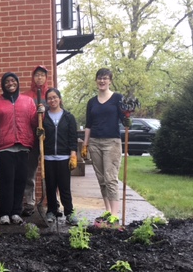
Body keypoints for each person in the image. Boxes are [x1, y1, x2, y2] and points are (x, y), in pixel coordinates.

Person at [0, 72, 39, 225]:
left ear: (17, 83)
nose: (10, 83)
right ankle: (4, 213)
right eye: (7, 81)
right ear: (3, 84)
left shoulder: (28, 101)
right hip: (4, 148)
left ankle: (16, 212)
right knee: (6, 181)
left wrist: (40, 114)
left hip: (23, 146)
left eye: (13, 80)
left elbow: (34, 122)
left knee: (21, 180)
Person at [82, 68, 127, 223]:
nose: (102, 81)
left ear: (110, 81)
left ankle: (115, 215)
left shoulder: (117, 98)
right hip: (94, 142)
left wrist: (128, 117)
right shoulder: (91, 102)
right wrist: (85, 145)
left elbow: (125, 119)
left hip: (111, 143)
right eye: (99, 78)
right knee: (101, 179)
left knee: (110, 178)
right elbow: (88, 125)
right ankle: (108, 211)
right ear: (96, 80)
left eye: (105, 78)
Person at [41, 88, 79, 226]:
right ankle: (51, 210)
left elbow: (73, 138)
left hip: (64, 157)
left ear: (60, 99)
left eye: (55, 97)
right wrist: (39, 133)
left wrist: (73, 154)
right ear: (47, 101)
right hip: (48, 157)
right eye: (49, 98)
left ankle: (69, 213)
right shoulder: (43, 118)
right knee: (50, 186)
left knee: (64, 187)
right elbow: (39, 135)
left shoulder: (68, 117)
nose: (52, 100)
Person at [22, 65, 50, 216]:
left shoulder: (51, 94)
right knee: (30, 172)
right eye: (37, 75)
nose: (39, 77)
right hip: (32, 139)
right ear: (33, 77)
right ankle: (30, 202)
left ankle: (52, 201)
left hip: (47, 140)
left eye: (42, 75)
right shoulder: (26, 96)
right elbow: (24, 118)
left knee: (50, 171)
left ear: (46, 77)